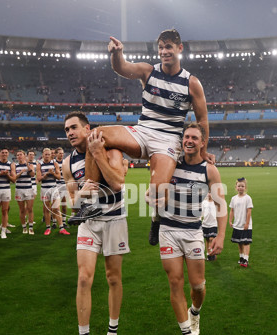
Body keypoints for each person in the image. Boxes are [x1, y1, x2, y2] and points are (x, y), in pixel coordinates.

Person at [72, 29, 213, 249]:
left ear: (179, 48)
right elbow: (122, 67)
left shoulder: (191, 83)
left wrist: (202, 153)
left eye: (169, 47)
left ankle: (156, 220)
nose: (164, 52)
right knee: (95, 136)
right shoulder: (149, 71)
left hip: (168, 140)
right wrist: (117, 53)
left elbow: (202, 120)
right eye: (161, 47)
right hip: (143, 131)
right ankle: (90, 203)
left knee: (157, 192)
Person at [151, 123, 226, 335]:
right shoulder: (171, 164)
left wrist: (221, 236)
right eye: (186, 137)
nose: (189, 140)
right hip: (168, 230)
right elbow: (153, 174)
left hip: (193, 232)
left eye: (194, 137)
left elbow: (221, 204)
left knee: (198, 286)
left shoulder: (209, 170)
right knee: (175, 282)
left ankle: (195, 312)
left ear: (203, 143)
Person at [63, 111, 129, 335]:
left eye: (73, 128)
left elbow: (118, 183)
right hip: (88, 223)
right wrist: (80, 194)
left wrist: (98, 155)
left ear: (87, 128)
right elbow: (71, 201)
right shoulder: (68, 162)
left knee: (113, 277)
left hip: (114, 219)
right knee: (83, 278)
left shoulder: (111, 150)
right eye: (66, 129)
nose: (69, 133)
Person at [39, 148, 70, 236]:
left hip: (54, 188)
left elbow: (59, 177)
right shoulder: (39, 165)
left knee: (56, 208)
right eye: (46, 154)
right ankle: (48, 228)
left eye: (49, 154)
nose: (47, 156)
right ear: (43, 155)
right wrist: (45, 175)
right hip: (44, 189)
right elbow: (38, 178)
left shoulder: (54, 163)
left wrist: (52, 173)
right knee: (47, 209)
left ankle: (61, 228)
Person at [228, 177, 253, 268]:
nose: (240, 188)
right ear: (236, 187)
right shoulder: (233, 198)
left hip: (245, 225)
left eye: (242, 186)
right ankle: (241, 257)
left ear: (245, 187)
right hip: (237, 224)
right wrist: (230, 220)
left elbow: (249, 211)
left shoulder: (248, 198)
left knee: (246, 242)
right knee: (239, 242)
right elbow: (232, 210)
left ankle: (246, 259)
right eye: (239, 186)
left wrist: (247, 223)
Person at [14, 150, 38, 235]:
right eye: (18, 155)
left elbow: (32, 175)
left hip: (29, 189)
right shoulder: (15, 166)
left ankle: (31, 228)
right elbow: (13, 179)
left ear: (24, 156)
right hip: (19, 190)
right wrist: (20, 173)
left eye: (21, 155)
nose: (19, 156)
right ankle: (24, 227)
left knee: (30, 209)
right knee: (22, 210)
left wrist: (28, 167)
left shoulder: (30, 165)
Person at [54, 147, 69, 228]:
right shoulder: (53, 163)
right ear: (56, 154)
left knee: (64, 204)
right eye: (60, 153)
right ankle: (54, 222)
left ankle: (63, 221)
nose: (61, 155)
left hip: (64, 185)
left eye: (62, 153)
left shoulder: (65, 162)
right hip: (55, 185)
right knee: (55, 205)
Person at [201, 192, 218, 261]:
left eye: (211, 192)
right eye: (208, 192)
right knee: (207, 240)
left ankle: (212, 253)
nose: (209, 194)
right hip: (205, 224)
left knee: (211, 239)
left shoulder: (216, 203)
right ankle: (208, 254)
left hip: (213, 224)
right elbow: (201, 213)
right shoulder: (204, 203)